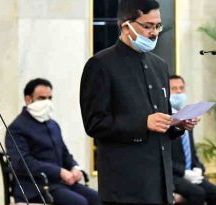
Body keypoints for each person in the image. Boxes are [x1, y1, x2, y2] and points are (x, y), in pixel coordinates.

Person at [79, 0, 199, 204]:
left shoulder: (159, 66)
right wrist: (143, 123)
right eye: (148, 26)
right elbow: (94, 124)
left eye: (158, 25)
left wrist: (177, 124)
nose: (154, 32)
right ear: (126, 26)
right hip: (125, 187)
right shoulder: (100, 65)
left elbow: (162, 121)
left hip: (160, 185)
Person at [6, 78, 100, 205]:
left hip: (61, 183)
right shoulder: (16, 128)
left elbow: (64, 153)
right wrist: (59, 172)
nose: (47, 102)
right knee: (79, 202)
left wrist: (74, 168)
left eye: (49, 98)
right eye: (42, 98)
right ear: (28, 99)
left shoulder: (53, 124)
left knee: (98, 198)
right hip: (36, 187)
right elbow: (22, 162)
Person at [169, 75, 216, 205]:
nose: (179, 91)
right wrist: (184, 172)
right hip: (174, 175)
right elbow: (164, 156)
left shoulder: (187, 116)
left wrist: (199, 168)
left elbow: (191, 152)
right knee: (198, 194)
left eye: (181, 88)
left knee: (214, 192)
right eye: (174, 88)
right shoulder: (166, 119)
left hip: (191, 174)